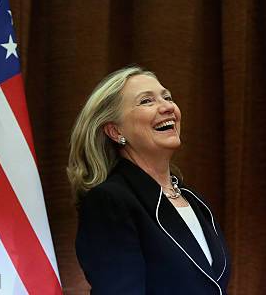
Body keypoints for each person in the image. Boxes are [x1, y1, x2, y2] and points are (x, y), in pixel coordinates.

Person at [67, 66, 230, 294]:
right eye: (146, 101)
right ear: (115, 131)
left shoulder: (194, 199)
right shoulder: (109, 201)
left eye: (167, 97)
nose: (167, 107)